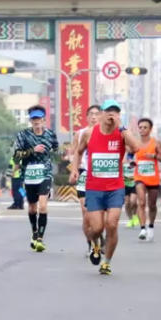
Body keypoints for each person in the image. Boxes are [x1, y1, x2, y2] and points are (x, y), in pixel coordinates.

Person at [70, 101, 139, 274]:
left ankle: (106, 262)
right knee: (97, 228)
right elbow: (78, 152)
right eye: (108, 111)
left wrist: (123, 128)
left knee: (112, 224)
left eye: (115, 112)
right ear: (101, 114)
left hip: (115, 187)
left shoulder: (122, 133)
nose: (111, 115)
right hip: (94, 187)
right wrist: (75, 170)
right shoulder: (88, 133)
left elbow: (136, 148)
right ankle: (94, 244)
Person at [13, 105, 59, 252]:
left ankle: (40, 238)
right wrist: (32, 150)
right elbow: (16, 156)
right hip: (29, 174)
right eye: (34, 119)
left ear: (44, 119)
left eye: (39, 118)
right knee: (32, 208)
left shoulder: (50, 134)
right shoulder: (23, 135)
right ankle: (34, 231)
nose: (36, 121)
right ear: (30, 120)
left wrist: (61, 155)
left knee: (43, 205)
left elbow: (56, 149)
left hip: (45, 173)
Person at [71, 105, 101, 255]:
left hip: (101, 176)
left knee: (100, 215)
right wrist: (74, 169)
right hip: (85, 174)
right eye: (91, 114)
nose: (94, 117)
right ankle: (90, 244)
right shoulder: (80, 133)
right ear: (87, 117)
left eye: (97, 114)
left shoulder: (107, 132)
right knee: (86, 212)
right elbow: (75, 152)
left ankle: (99, 236)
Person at [133, 118, 161, 241]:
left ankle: (151, 226)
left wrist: (154, 156)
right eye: (140, 127)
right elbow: (129, 155)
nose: (142, 129)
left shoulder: (156, 143)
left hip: (153, 177)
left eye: (145, 127)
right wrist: (131, 162)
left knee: (152, 205)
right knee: (141, 202)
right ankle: (142, 228)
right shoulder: (135, 143)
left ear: (150, 129)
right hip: (139, 176)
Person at [123, 154, 138, 227]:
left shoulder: (136, 155)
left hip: (134, 183)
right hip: (125, 184)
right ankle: (130, 219)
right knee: (127, 203)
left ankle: (135, 216)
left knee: (133, 201)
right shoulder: (122, 157)